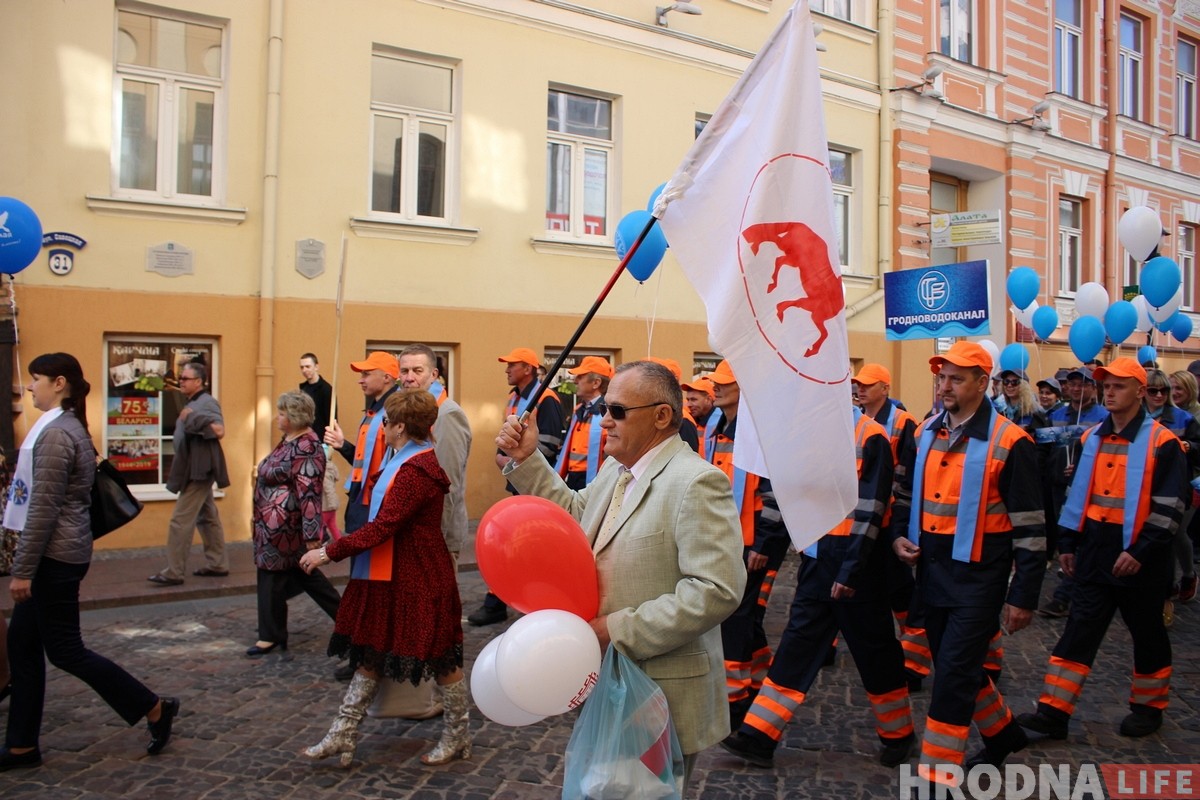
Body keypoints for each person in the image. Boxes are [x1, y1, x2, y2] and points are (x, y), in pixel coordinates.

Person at [495, 360, 746, 794]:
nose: (604, 421)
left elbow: (715, 590)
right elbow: (576, 517)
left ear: (661, 416)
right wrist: (527, 459)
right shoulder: (617, 469)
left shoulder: (696, 482)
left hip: (660, 690)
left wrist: (614, 629)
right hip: (609, 681)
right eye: (604, 409)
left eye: (617, 411)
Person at [3, 353, 178, 771]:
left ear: (59, 383)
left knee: (65, 650)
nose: (30, 387)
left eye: (36, 379)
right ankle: (22, 745)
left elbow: (43, 509)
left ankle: (154, 706)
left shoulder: (56, 434)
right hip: (59, 553)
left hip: (55, 558)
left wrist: (22, 570)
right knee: (22, 645)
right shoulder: (62, 427)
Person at [721, 406, 916, 769]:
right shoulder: (807, 429)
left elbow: (871, 510)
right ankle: (758, 735)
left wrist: (851, 570)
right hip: (817, 559)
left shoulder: (870, 436)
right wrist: (777, 541)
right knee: (797, 644)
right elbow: (789, 491)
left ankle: (899, 734)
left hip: (857, 564)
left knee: (874, 652)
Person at [891, 341, 1045, 789]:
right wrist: (900, 535)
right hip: (931, 574)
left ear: (982, 383)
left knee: (954, 676)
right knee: (956, 667)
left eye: (956, 379)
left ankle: (936, 778)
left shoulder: (1011, 442)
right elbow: (904, 497)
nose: (944, 386)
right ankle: (1004, 735)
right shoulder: (924, 432)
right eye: (942, 377)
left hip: (980, 580)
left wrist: (1023, 596)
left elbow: (1031, 529)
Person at [1018, 358, 1188, 741]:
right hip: (1095, 551)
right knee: (1079, 631)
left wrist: (1140, 551)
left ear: (1140, 392)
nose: (1109, 392)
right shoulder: (1090, 438)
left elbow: (1169, 508)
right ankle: (1053, 712)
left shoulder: (1163, 443)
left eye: (1118, 386)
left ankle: (1149, 708)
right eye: (1106, 386)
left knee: (1147, 634)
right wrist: (1068, 542)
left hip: (1142, 559)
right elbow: (1078, 495)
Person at [299, 389, 466, 767]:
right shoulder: (403, 460)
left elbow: (384, 525)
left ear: (401, 427)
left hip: (417, 574)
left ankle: (458, 734)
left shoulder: (416, 469)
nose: (383, 428)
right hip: (393, 572)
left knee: (440, 655)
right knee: (372, 649)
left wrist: (328, 552)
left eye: (386, 422)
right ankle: (343, 731)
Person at [705, 359, 789, 728]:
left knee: (735, 618)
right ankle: (756, 683)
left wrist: (763, 546)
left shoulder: (760, 431)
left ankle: (735, 701)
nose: (716, 387)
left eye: (725, 382)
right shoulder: (717, 425)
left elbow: (775, 495)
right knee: (744, 617)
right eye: (716, 381)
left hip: (750, 544)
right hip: (724, 539)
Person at [472, 347, 566, 627]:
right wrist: (503, 456)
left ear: (528, 368)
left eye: (512, 365)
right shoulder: (515, 397)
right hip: (518, 478)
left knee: (529, 544)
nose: (507, 370)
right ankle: (501, 599)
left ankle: (514, 601)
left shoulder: (547, 399)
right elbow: (507, 435)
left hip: (536, 483)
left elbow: (550, 445)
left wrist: (517, 460)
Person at [324, 351, 402, 681]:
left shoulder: (394, 411)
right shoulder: (373, 411)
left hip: (374, 509)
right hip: (360, 504)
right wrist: (343, 445)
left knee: (369, 585)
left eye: (367, 373)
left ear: (387, 377)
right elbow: (366, 459)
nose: (360, 379)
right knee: (361, 582)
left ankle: (369, 656)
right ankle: (365, 652)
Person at [248, 391, 341, 657]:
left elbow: (309, 493)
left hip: (286, 528)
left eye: (282, 413)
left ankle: (271, 635)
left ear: (293, 417)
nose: (278, 418)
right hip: (272, 527)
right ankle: (273, 633)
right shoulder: (289, 440)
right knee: (300, 575)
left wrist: (312, 535)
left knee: (278, 575)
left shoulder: (307, 447)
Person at [148, 361, 230, 586]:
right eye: (181, 378)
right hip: (193, 467)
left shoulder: (207, 402)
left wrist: (190, 418)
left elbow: (219, 430)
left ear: (198, 381)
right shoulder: (192, 402)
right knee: (207, 516)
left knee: (180, 520)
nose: (181, 382)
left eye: (185, 378)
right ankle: (218, 563)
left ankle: (174, 572)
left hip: (199, 470)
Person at [397, 343, 472, 564]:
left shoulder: (446, 415)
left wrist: (431, 540)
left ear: (434, 374)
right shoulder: (411, 411)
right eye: (404, 371)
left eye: (417, 371)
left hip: (434, 539)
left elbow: (446, 485)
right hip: (412, 533)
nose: (409, 378)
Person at [1143, 368, 1200, 612]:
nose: (1159, 395)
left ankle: (1180, 581)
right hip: (1144, 487)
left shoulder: (1184, 419)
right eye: (1153, 390)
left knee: (1172, 534)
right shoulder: (1136, 417)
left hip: (1178, 486)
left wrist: (1189, 446)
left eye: (1163, 390)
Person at [556, 355, 612, 490]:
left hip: (596, 482)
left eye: (580, 377)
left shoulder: (609, 413)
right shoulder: (579, 410)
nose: (575, 381)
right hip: (572, 479)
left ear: (596, 383)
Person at [299, 352, 334, 440]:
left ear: (316, 367)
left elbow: (331, 419)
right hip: (305, 438)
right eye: (302, 367)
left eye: (307, 366)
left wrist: (327, 442)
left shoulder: (326, 389)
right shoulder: (303, 389)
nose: (304, 370)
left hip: (320, 439)